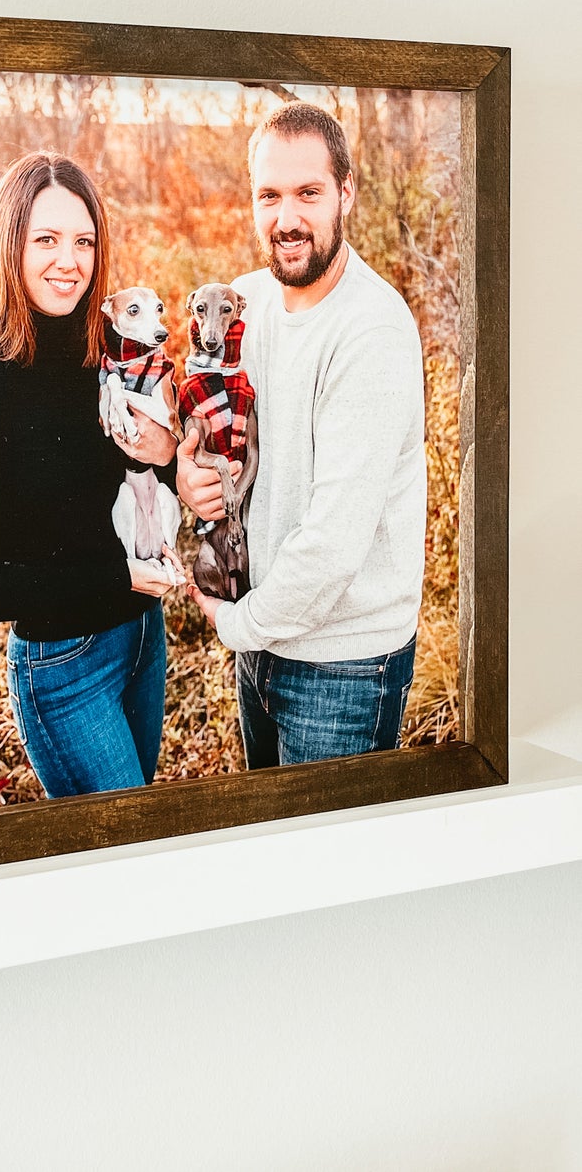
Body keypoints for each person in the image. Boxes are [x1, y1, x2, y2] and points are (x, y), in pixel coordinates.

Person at [178, 101, 425, 767]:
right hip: (263, 637)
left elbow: (332, 545)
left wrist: (235, 624)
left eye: (307, 193)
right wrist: (189, 471)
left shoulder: (369, 330)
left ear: (345, 192)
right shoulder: (241, 303)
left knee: (329, 868)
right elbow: (206, 431)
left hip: (340, 666)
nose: (285, 219)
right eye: (268, 195)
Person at [0, 151, 180, 798]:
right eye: (45, 239)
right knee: (127, 858)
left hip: (142, 640)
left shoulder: (110, 351)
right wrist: (116, 575)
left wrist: (169, 456)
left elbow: (152, 484)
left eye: (82, 241)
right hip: (64, 668)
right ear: (7, 244)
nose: (67, 260)